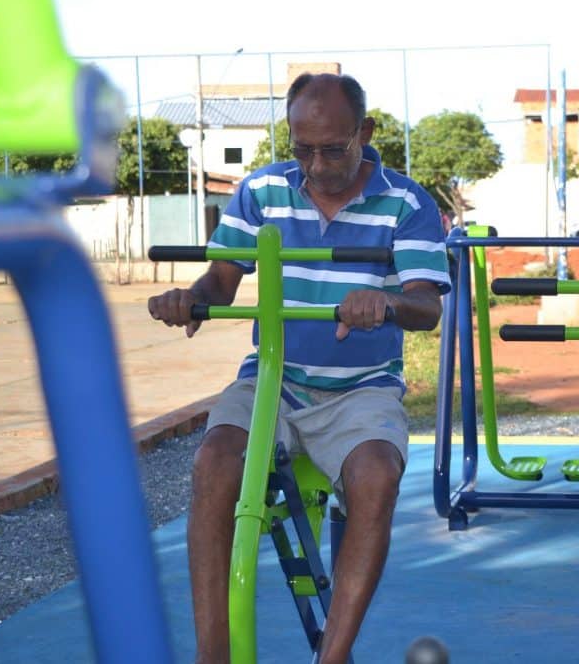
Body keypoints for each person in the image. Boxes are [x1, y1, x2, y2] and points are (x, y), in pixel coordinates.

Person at [148, 72, 451, 664]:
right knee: (213, 463)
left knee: (376, 478)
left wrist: (384, 301)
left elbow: (425, 305)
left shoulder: (407, 202)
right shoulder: (262, 191)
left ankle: (330, 657)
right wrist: (190, 296)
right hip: (274, 380)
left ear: (365, 132)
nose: (315, 166)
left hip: (361, 390)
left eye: (332, 149)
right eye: (302, 149)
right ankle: (212, 654)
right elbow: (222, 280)